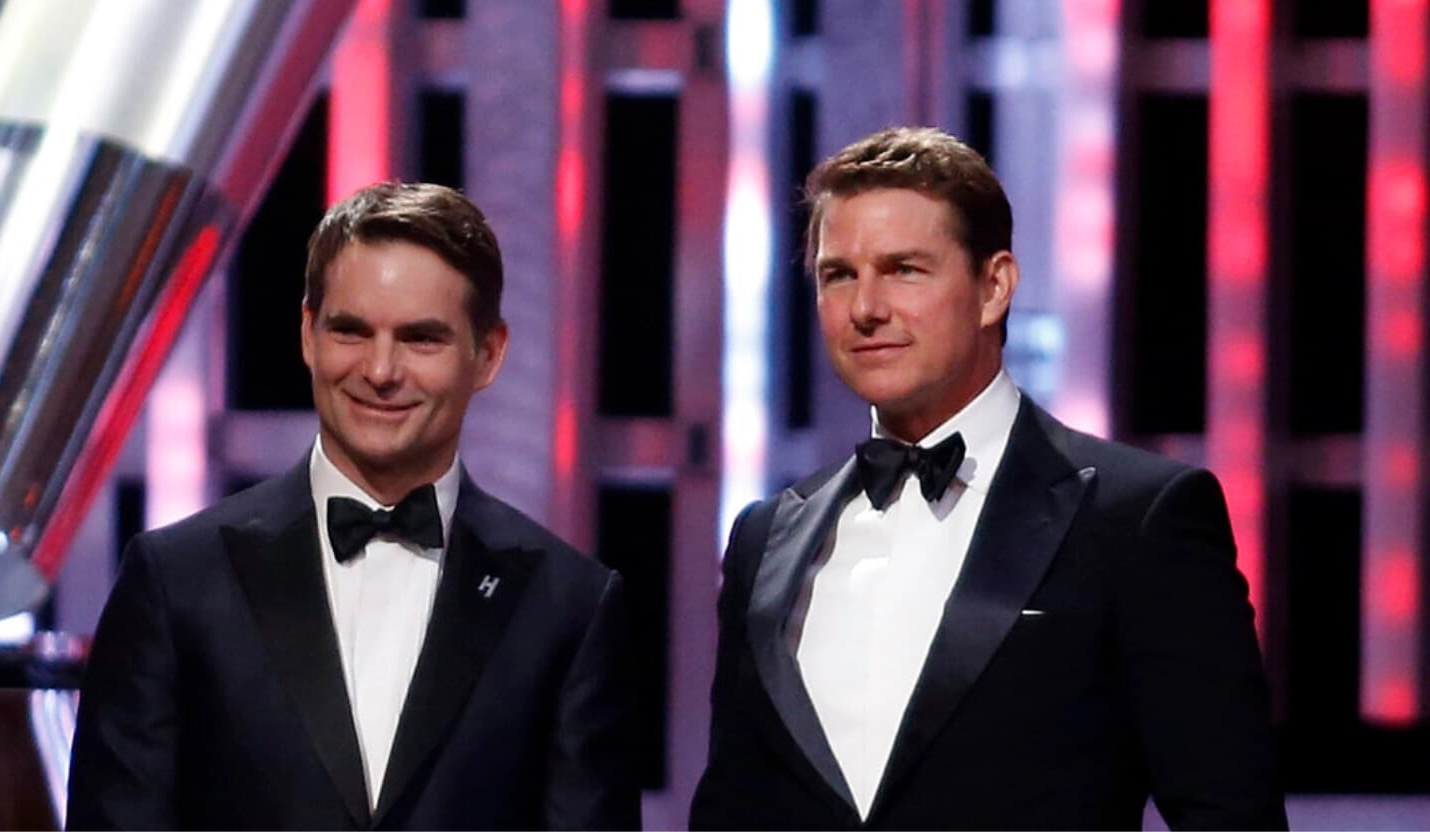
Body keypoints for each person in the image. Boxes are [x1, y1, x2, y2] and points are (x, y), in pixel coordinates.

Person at [690, 127, 1286, 830]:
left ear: (994, 286)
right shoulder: (767, 537)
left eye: (905, 269)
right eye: (838, 274)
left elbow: (1230, 814)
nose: (866, 307)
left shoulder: (1135, 519)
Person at [68, 182, 640, 830]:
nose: (380, 369)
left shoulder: (567, 607)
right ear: (308, 333)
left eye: (421, 339)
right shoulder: (178, 582)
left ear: (488, 353)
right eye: (351, 330)